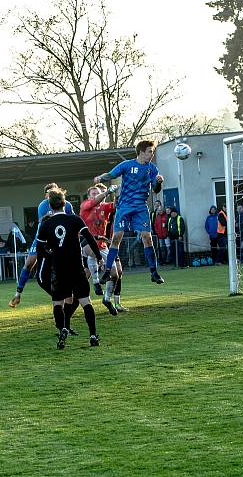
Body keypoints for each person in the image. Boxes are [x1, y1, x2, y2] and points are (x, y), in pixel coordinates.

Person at [35, 187, 103, 349]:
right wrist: (99, 257)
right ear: (65, 204)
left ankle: (62, 331)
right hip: (76, 267)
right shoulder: (75, 220)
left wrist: (51, 254)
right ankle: (93, 335)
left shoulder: (46, 224)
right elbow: (89, 238)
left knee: (57, 303)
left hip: (59, 269)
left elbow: (40, 250)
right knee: (85, 301)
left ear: (50, 206)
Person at [93, 140, 165, 284]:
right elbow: (112, 174)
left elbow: (155, 190)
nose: (152, 154)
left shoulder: (152, 169)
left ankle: (154, 272)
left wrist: (158, 182)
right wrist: (101, 177)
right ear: (142, 152)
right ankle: (107, 271)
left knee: (147, 237)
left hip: (140, 207)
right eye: (150, 151)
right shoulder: (127, 165)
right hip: (124, 206)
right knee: (116, 238)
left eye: (153, 151)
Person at [10, 183, 75, 308]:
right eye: (48, 192)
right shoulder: (43, 205)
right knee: (29, 264)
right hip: (42, 239)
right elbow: (44, 223)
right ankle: (18, 293)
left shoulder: (67, 204)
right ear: (45, 195)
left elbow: (72, 220)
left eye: (53, 191)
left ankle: (68, 296)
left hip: (60, 239)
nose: (51, 194)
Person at [80, 183, 121, 314]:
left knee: (115, 274)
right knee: (91, 253)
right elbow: (95, 201)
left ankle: (107, 299)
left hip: (103, 244)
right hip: (88, 242)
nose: (97, 195)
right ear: (88, 197)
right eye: (94, 193)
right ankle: (96, 283)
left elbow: (116, 205)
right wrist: (107, 192)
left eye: (98, 193)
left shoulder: (104, 206)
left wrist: (118, 192)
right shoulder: (85, 205)